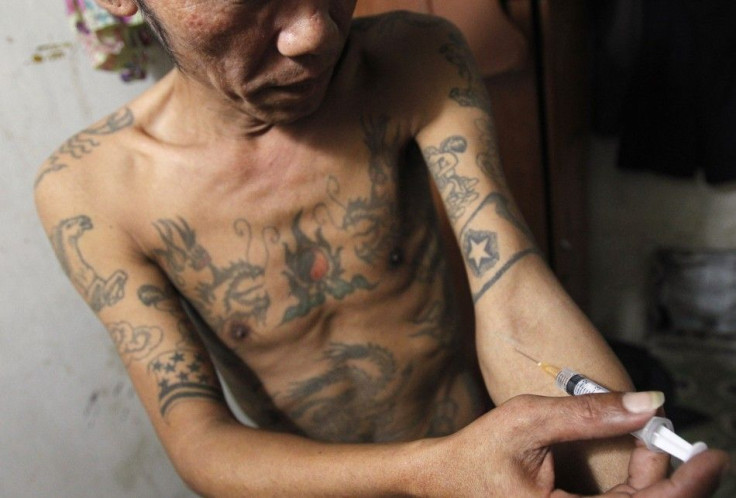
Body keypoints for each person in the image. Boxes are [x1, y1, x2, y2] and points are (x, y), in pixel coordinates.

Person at [34, 0, 729, 495]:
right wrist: (430, 474)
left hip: (493, 461)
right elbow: (200, 439)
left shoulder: (415, 59)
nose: (314, 33)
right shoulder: (92, 191)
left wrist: (615, 478)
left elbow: (511, 285)